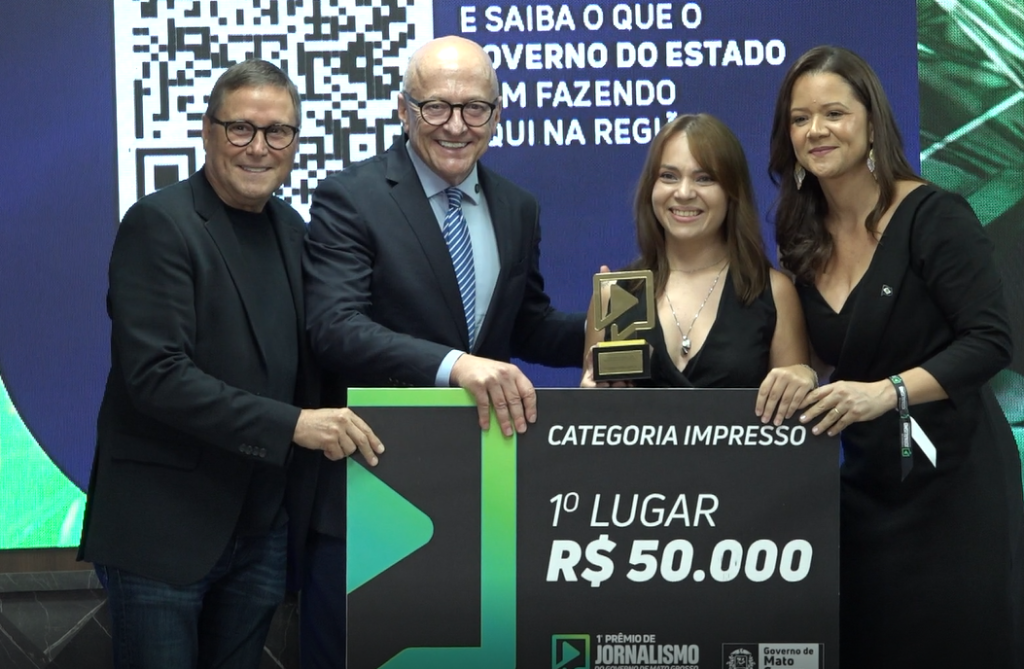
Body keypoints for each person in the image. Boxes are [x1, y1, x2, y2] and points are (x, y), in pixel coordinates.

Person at [77, 59, 383, 669]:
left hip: (260, 531)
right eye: (241, 128)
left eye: (278, 132)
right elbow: (157, 376)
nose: (259, 148)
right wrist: (295, 425)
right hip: (162, 532)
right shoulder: (159, 223)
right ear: (207, 131)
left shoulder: (292, 230)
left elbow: (322, 351)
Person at [301, 35, 585, 667]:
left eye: (474, 108)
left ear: (497, 115)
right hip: (374, 490)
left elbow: (525, 326)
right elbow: (335, 327)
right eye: (436, 107)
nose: (456, 125)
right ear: (404, 111)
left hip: (479, 494)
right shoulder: (352, 196)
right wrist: (454, 366)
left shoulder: (517, 207)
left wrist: (608, 331)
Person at [768, 45, 1024, 666]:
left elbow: (990, 341)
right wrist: (801, 368)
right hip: (864, 490)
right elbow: (833, 349)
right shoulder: (799, 233)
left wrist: (888, 392)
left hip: (956, 486)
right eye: (800, 118)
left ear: (872, 122)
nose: (816, 130)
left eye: (834, 113)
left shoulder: (934, 214)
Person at [582, 113, 816, 425]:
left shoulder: (774, 292)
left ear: (732, 192)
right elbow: (593, 432)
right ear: (651, 187)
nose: (683, 192)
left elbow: (794, 431)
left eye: (704, 178)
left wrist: (805, 376)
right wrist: (589, 401)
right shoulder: (614, 295)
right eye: (669, 176)